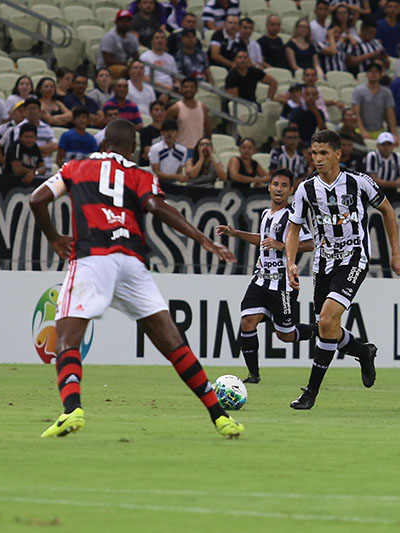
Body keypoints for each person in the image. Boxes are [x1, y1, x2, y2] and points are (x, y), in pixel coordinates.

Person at [28, 118, 243, 439]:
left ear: (103, 145)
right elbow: (157, 206)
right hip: (131, 263)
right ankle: (220, 416)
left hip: (92, 259)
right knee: (174, 344)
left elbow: (37, 199)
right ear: (133, 150)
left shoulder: (75, 167)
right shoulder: (140, 174)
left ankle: (71, 409)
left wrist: (55, 237)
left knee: (68, 340)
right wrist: (203, 239)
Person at [285, 129, 400, 409]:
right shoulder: (306, 189)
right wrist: (291, 261)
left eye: (324, 153)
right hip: (323, 262)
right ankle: (363, 351)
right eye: (314, 153)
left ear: (338, 153)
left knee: (326, 321)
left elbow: (387, 210)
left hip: (354, 257)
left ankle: (310, 393)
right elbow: (293, 229)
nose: (318, 159)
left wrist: (395, 252)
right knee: (328, 328)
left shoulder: (359, 182)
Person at [215, 168, 315, 383]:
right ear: (269, 187)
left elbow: (309, 243)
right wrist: (236, 233)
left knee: (285, 335)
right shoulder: (265, 214)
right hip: (261, 279)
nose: (279, 189)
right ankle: (254, 375)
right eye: (275, 184)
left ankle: (321, 331)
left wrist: (280, 245)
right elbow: (262, 239)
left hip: (282, 284)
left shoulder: (292, 215)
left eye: (284, 186)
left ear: (291, 190)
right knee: (247, 322)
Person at [352, 60, 397, 140]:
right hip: (361, 131)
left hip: (379, 131)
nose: (373, 74)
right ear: (366, 74)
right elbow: (356, 113)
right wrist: (363, 131)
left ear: (380, 75)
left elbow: (390, 114)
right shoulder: (358, 91)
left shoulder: (386, 92)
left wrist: (394, 133)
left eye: (376, 72)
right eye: (370, 71)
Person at [14, 96, 58, 172]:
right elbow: (21, 149)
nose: (32, 111)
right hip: (27, 172)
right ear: (24, 111)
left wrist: (33, 151)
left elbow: (54, 146)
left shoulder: (47, 127)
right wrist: (43, 151)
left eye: (35, 108)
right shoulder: (19, 128)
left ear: (40, 111)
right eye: (29, 109)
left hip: (47, 172)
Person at [97, 9, 139, 79]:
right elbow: (108, 61)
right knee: (125, 70)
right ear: (116, 22)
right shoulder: (109, 37)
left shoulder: (132, 38)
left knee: (139, 69)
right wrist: (128, 65)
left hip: (125, 66)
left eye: (128, 21)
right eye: (122, 21)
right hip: (106, 68)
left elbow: (136, 56)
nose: (125, 24)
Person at [140, 30, 178, 95]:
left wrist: (177, 85)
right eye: (157, 38)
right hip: (153, 89)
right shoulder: (145, 57)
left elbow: (175, 77)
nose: (160, 40)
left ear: (166, 41)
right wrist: (164, 86)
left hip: (170, 89)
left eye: (162, 38)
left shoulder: (170, 58)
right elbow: (144, 78)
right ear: (152, 41)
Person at [0, 101, 24, 169]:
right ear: (13, 113)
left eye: (25, 111)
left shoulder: (33, 128)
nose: (23, 114)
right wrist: (6, 164)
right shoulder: (5, 128)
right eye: (20, 111)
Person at [140, 100, 165, 166]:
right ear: (150, 113)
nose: (159, 112)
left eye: (162, 110)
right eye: (156, 110)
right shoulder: (145, 131)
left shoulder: (168, 130)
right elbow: (149, 153)